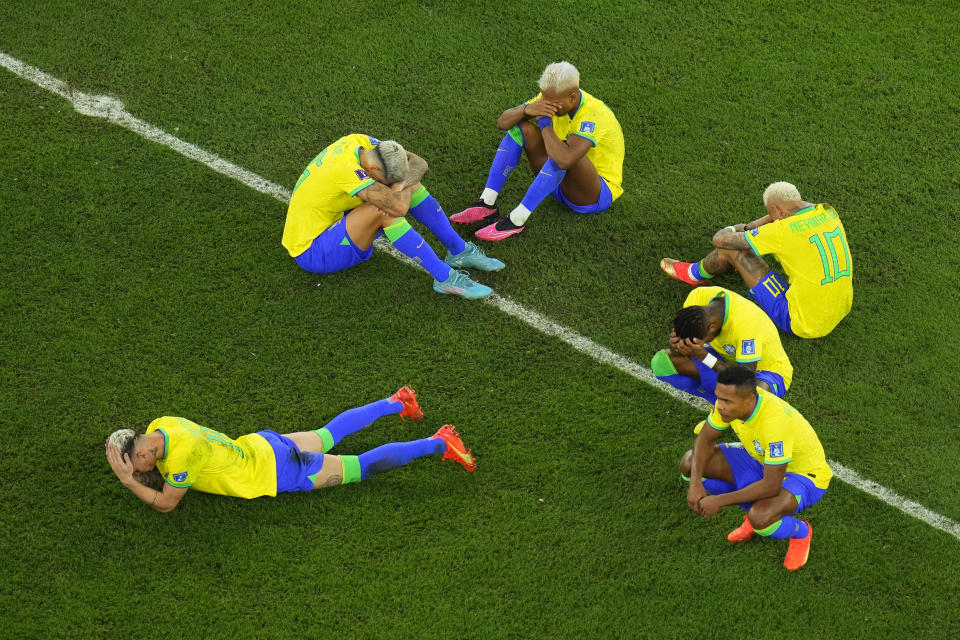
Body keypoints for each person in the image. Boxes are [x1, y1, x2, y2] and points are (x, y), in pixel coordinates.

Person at [104, 387, 476, 512]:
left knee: (360, 468)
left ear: (141, 454)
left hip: (277, 471)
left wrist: (129, 484)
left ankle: (439, 442)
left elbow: (167, 502)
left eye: (135, 468)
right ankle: (398, 401)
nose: (139, 473)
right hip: (262, 443)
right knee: (327, 433)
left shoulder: (182, 457)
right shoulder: (160, 426)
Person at [282, 134, 504, 299]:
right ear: (371, 167)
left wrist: (401, 181)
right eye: (384, 179)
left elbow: (419, 163)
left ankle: (458, 251)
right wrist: (400, 185)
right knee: (383, 209)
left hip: (337, 220)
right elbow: (398, 208)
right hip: (313, 249)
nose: (386, 183)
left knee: (409, 183)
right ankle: (445, 278)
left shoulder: (364, 144)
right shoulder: (345, 171)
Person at [450, 61, 625, 241]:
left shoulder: (594, 115)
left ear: (572, 97)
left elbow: (565, 160)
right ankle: (486, 203)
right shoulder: (552, 97)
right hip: (557, 182)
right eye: (543, 99)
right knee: (520, 128)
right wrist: (526, 109)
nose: (546, 106)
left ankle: (516, 220)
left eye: (552, 103)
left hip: (593, 195)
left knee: (563, 153)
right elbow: (502, 123)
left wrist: (544, 123)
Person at [679, 366, 832, 571]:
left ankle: (801, 532)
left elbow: (770, 485)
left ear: (750, 399)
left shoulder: (775, 423)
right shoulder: (727, 406)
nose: (720, 406)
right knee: (690, 463)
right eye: (718, 398)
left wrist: (718, 501)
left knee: (761, 517)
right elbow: (705, 440)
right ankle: (750, 516)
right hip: (761, 459)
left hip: (804, 475)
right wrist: (696, 483)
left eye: (727, 401)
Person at [660, 182, 853, 338]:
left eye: (770, 213)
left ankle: (693, 274)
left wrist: (735, 228)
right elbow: (788, 209)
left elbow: (720, 240)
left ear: (776, 210)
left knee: (733, 251)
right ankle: (719, 269)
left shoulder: (782, 231)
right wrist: (755, 224)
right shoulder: (827, 212)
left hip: (803, 322)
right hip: (841, 307)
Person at [652, 286, 793, 403]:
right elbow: (685, 341)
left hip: (764, 371)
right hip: (725, 359)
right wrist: (677, 345)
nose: (703, 343)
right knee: (661, 362)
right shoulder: (696, 298)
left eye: (703, 341)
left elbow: (744, 377)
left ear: (711, 327)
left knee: (749, 396)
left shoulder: (746, 323)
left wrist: (704, 356)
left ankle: (724, 405)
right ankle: (715, 403)